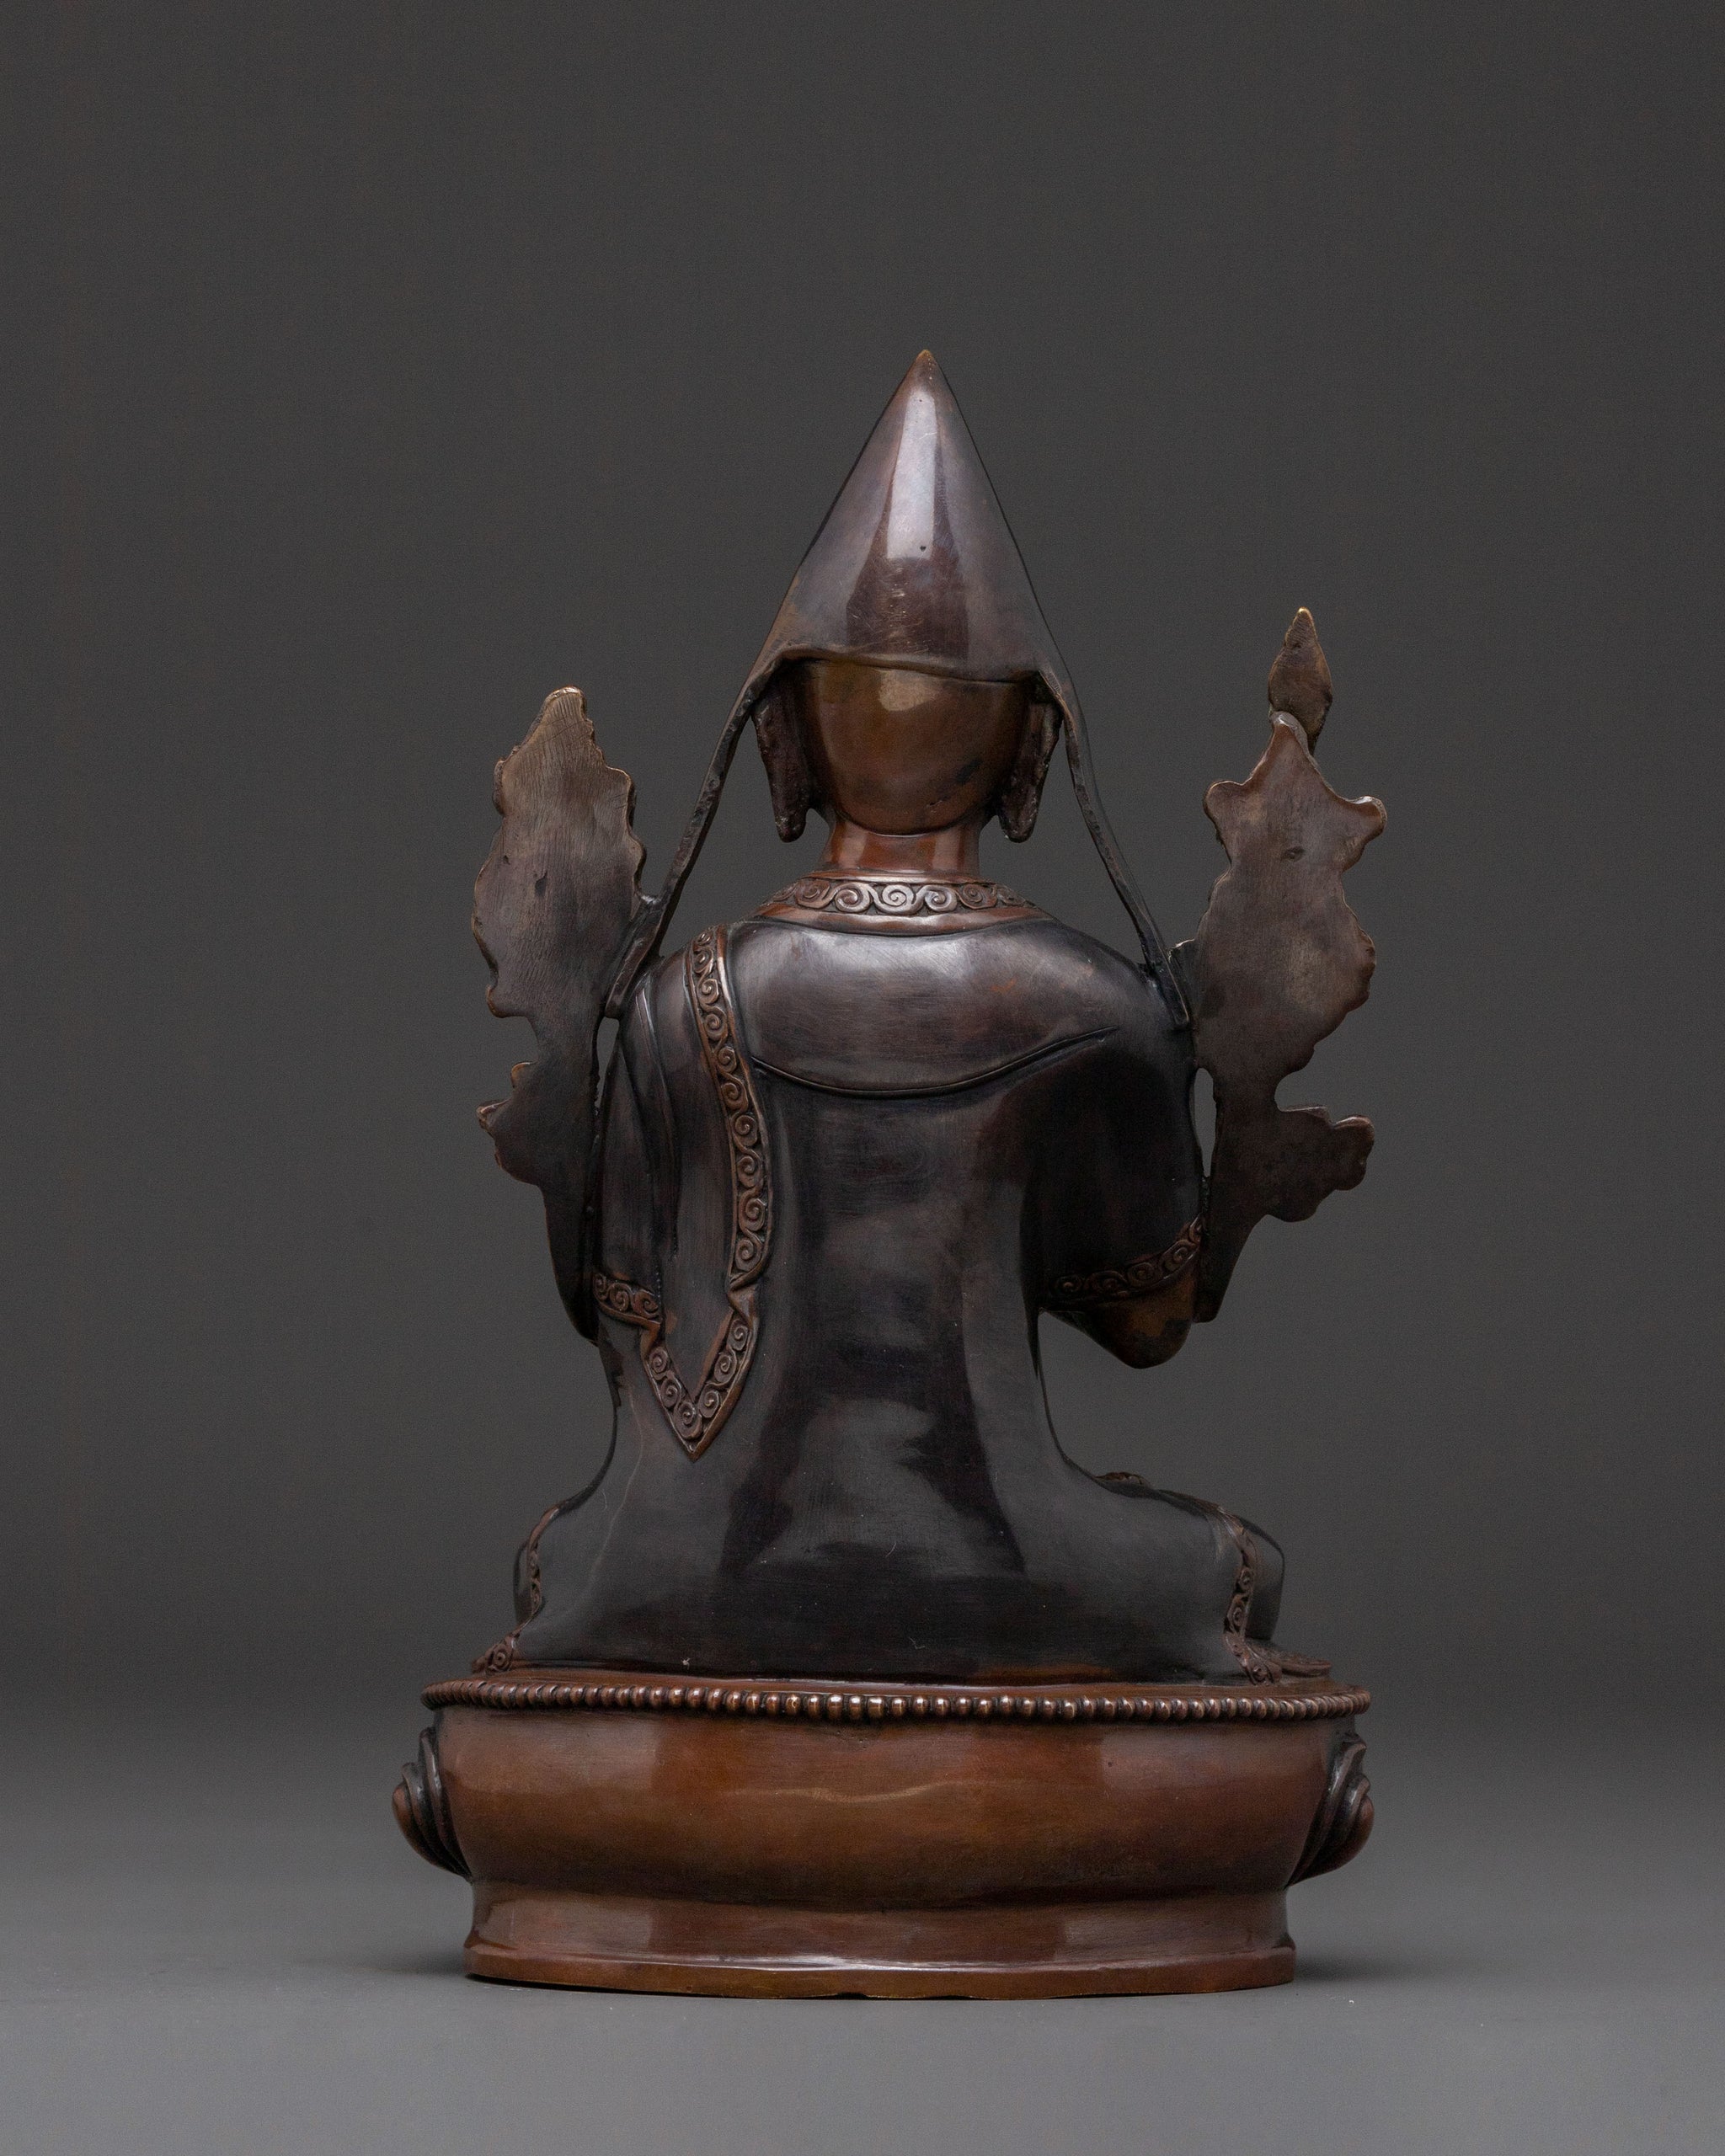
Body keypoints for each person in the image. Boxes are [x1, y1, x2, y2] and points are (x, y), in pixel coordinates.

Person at [495, 355, 1289, 1684]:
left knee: (542, 1568)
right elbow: (1149, 1325)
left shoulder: (675, 1001)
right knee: (1245, 1576)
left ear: (785, 737)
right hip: (1001, 1562)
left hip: (683, 1572)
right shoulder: (1098, 1008)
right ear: (1031, 748)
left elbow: (624, 1320)